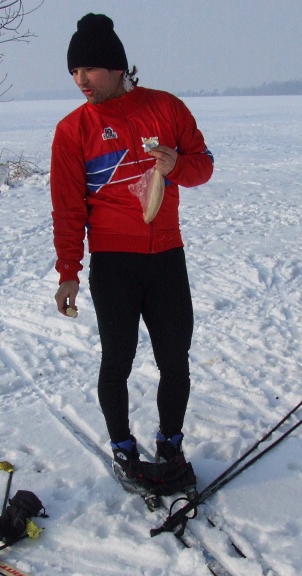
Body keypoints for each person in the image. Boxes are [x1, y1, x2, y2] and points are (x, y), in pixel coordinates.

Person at [50, 14, 214, 494]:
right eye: (74, 72)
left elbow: (204, 166)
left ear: (119, 67)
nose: (81, 81)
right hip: (113, 262)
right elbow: (67, 209)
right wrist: (68, 272)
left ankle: (170, 442)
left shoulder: (166, 109)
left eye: (90, 70)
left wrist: (177, 164)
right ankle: (122, 446)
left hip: (166, 257)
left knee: (175, 358)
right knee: (116, 360)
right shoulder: (72, 130)